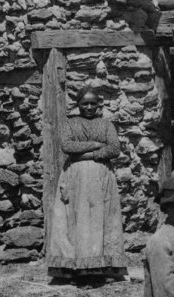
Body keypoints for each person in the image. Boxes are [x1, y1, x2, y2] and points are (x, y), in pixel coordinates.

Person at [46, 87, 129, 286]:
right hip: (75, 177)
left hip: (101, 177)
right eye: (85, 103)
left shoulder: (106, 124)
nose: (89, 107)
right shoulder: (70, 124)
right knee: (77, 218)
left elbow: (114, 148)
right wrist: (96, 145)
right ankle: (74, 270)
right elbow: (67, 147)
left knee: (101, 218)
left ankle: (101, 268)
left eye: (93, 103)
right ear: (78, 104)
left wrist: (86, 153)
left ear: (98, 105)